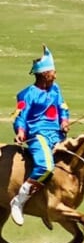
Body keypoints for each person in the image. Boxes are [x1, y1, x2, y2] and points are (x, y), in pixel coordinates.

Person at [10, 46, 70, 226]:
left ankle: (48, 203)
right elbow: (20, 116)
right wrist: (21, 131)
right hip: (38, 136)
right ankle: (19, 201)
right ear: (44, 74)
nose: (55, 75)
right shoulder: (27, 94)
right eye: (53, 72)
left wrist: (64, 121)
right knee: (45, 167)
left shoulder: (56, 89)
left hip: (57, 135)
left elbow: (63, 107)